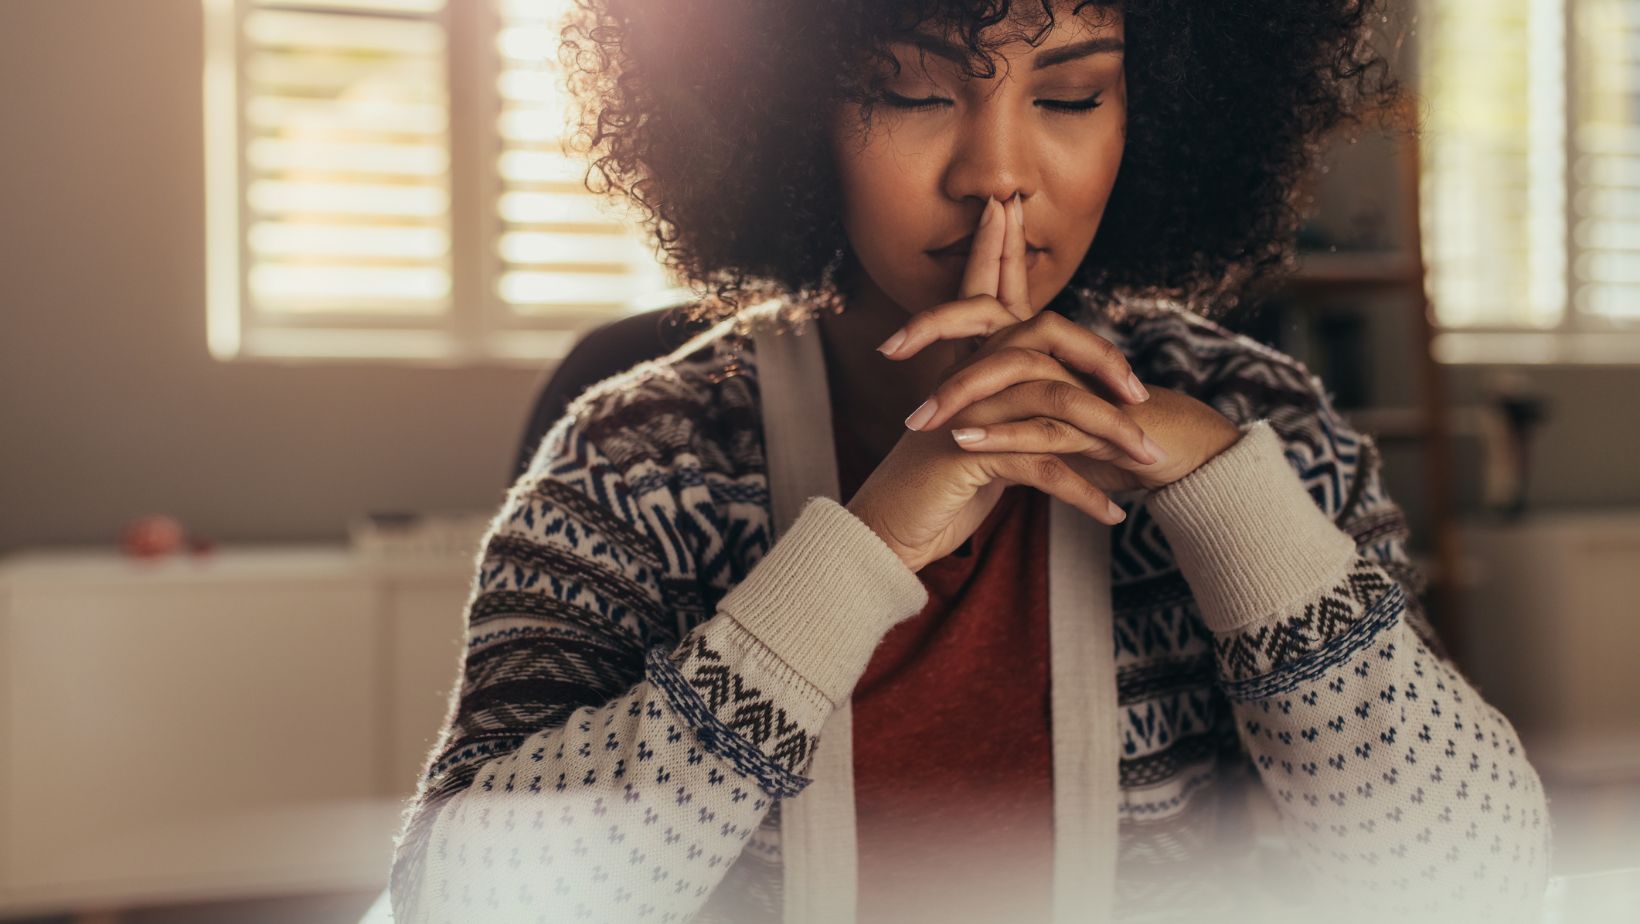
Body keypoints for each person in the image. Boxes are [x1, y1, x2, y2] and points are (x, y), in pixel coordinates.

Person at [388, 1, 1552, 922]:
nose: (996, 172)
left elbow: (1469, 887)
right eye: (909, 90)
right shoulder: (646, 460)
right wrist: (864, 550)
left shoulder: (1260, 423)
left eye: (1070, 94)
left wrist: (1229, 505)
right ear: (786, 109)